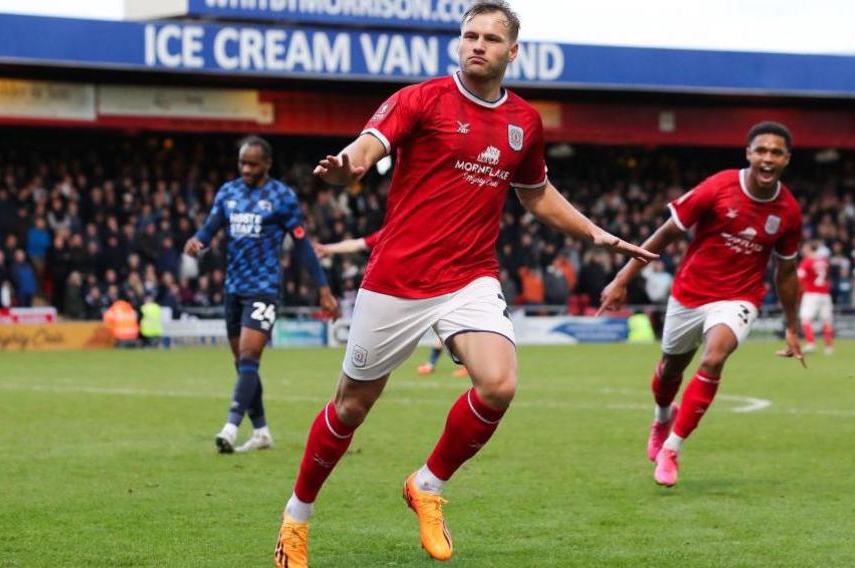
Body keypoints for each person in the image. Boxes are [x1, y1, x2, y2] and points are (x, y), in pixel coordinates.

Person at [272, 3, 656, 566]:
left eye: (490, 38)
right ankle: (296, 518)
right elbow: (367, 147)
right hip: (398, 277)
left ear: (512, 52)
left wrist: (595, 232)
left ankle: (426, 485)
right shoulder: (420, 99)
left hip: (469, 275)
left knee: (499, 385)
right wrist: (348, 168)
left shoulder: (525, 121)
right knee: (352, 406)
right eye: (469, 35)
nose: (477, 45)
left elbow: (536, 194)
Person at [600, 121, 805, 488]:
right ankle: (662, 417)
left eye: (776, 152)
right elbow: (664, 234)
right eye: (761, 150)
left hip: (739, 297)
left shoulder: (788, 211)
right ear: (749, 154)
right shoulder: (719, 186)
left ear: (787, 159)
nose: (768, 158)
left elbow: (786, 274)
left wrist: (792, 327)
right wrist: (621, 279)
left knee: (714, 356)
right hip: (690, 294)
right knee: (669, 371)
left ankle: (672, 449)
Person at [185, 136, 339, 455]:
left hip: (264, 288)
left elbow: (301, 245)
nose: (246, 169)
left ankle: (230, 427)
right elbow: (210, 228)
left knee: (248, 357)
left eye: (253, 164)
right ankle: (261, 431)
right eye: (242, 162)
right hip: (233, 288)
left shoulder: (282, 198)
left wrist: (322, 287)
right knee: (242, 365)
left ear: (267, 164)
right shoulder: (228, 193)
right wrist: (198, 241)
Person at [314, 231, 469, 378]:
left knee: (448, 332)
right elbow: (358, 243)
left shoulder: (428, 233)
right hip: (406, 294)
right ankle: (440, 365)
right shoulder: (395, 232)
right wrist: (328, 248)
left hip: (432, 292)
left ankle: (451, 365)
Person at [796, 242, 834, 354]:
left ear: (810, 249)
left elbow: (799, 277)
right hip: (825, 294)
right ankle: (828, 347)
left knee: (805, 319)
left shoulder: (806, 262)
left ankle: (810, 343)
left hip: (812, 294)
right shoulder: (824, 262)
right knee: (826, 321)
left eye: (805, 248)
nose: (803, 251)